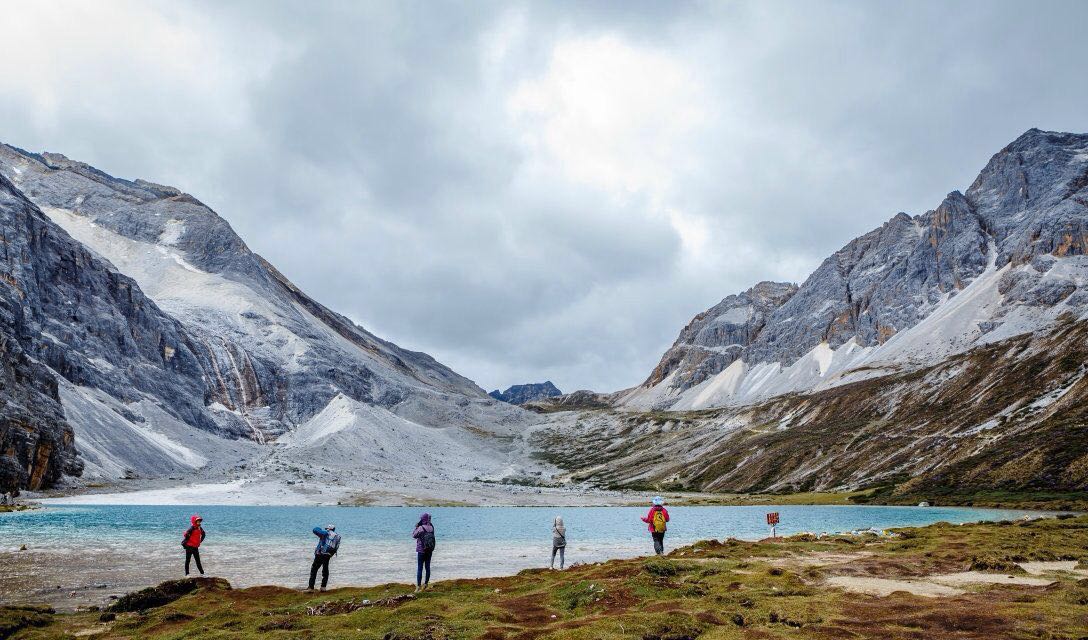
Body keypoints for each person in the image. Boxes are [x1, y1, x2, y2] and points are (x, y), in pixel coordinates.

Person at [308, 524, 341, 592]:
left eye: (326, 528)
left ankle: (311, 588)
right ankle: (323, 587)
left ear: (328, 529)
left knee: (314, 569)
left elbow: (315, 530)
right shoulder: (337, 536)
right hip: (328, 555)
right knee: (325, 570)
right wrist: (330, 554)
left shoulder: (325, 533)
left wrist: (319, 528)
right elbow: (336, 547)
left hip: (320, 554)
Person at [412, 513, 436, 592]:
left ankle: (418, 586)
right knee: (427, 567)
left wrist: (416, 527)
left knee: (420, 568)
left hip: (421, 550)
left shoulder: (421, 528)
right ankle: (425, 584)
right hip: (429, 550)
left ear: (423, 519)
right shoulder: (432, 527)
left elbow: (414, 535)